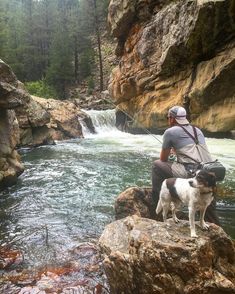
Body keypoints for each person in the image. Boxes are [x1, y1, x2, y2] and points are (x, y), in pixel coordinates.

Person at [152, 105, 220, 225]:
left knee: (157, 165)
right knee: (209, 210)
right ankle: (211, 224)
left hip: (191, 173)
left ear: (172, 118)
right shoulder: (197, 130)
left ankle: (159, 199)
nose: (168, 120)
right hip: (206, 172)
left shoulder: (170, 132)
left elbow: (163, 158)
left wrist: (173, 151)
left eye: (168, 117)